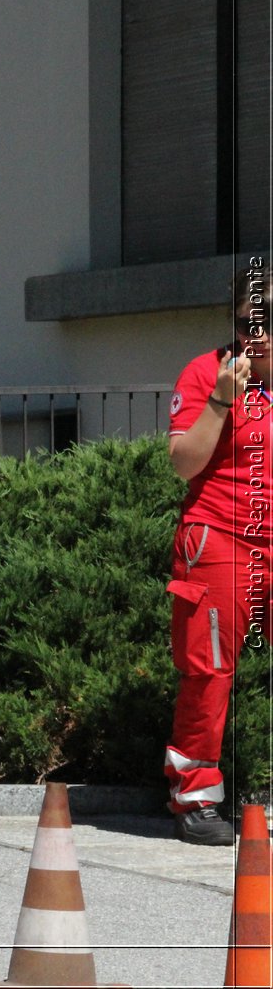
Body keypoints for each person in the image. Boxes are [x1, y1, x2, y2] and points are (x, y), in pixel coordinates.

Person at [163, 266, 267, 846]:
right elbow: (184, 462)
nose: (262, 335)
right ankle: (195, 798)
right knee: (208, 671)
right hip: (221, 537)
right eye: (251, 323)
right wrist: (223, 400)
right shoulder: (208, 372)